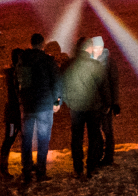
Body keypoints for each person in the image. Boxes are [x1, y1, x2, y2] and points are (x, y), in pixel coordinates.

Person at [13, 32, 61, 183]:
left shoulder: (23, 61)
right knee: (43, 139)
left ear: (31, 44)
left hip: (27, 106)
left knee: (26, 140)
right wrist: (57, 101)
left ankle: (27, 171)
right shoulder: (48, 61)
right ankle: (41, 172)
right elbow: (56, 82)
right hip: (45, 105)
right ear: (43, 44)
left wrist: (22, 99)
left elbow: (19, 83)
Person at [60, 37, 109, 178]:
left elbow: (62, 84)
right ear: (89, 48)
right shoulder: (96, 65)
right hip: (93, 107)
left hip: (76, 107)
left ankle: (78, 169)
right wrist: (106, 103)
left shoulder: (68, 64)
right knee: (94, 137)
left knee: (77, 138)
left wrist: (66, 101)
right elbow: (103, 87)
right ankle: (91, 167)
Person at [96, 34, 121, 167]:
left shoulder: (109, 63)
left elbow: (114, 83)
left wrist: (114, 103)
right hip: (97, 103)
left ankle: (108, 157)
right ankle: (102, 155)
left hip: (105, 103)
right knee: (99, 130)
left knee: (107, 130)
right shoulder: (102, 62)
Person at [0, 48, 21, 179]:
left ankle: (5, 168)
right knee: (10, 139)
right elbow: (16, 93)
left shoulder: (13, 73)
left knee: (19, 138)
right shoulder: (14, 74)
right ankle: (3, 168)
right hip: (14, 112)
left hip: (15, 112)